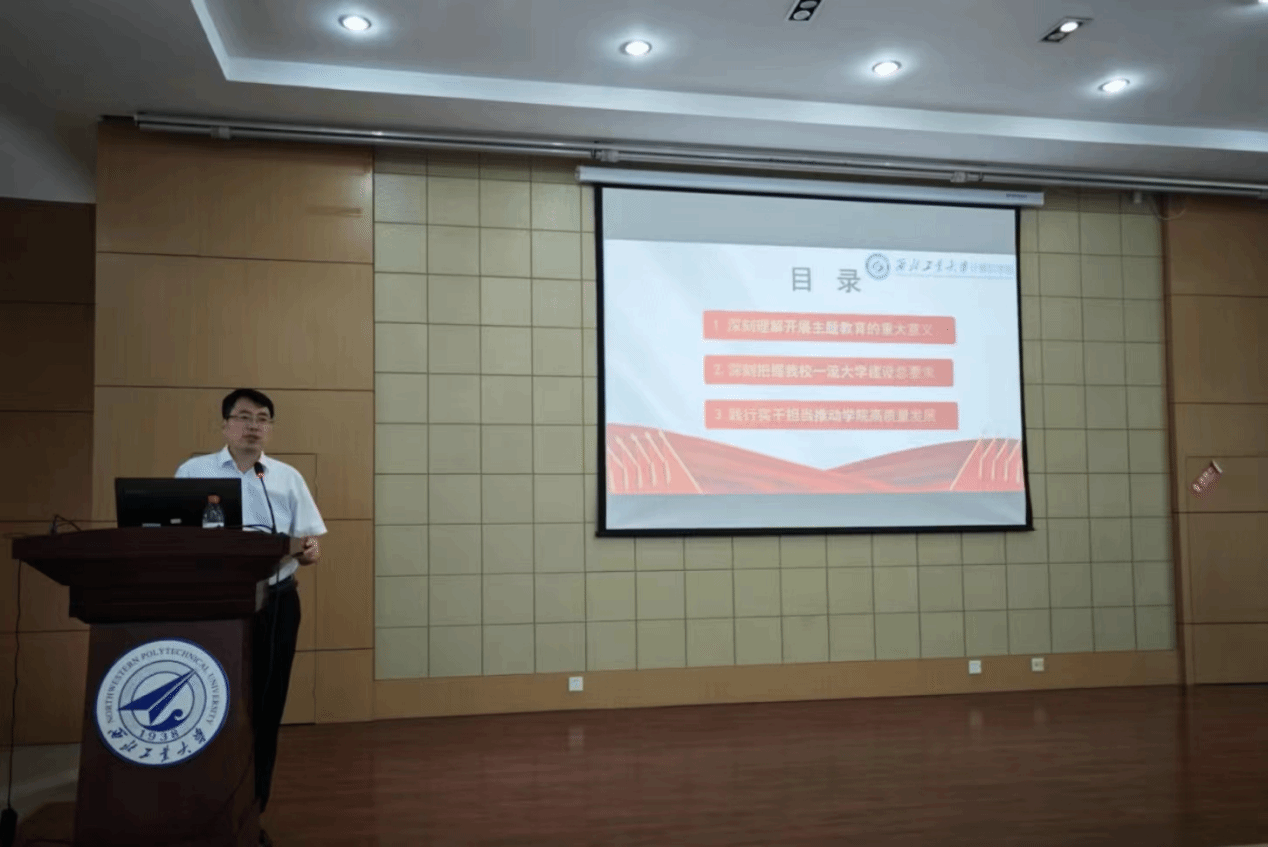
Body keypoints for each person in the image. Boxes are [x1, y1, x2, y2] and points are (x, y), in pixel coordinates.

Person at [176, 388, 325, 846]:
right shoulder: (194, 472)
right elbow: (172, 536)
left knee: (265, 706)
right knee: (209, 702)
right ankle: (195, 808)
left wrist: (309, 552)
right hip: (211, 603)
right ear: (225, 425)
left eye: (262, 418)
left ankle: (250, 810)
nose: (253, 425)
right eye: (243, 417)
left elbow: (310, 543)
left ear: (269, 429)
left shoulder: (285, 477)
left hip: (275, 602)